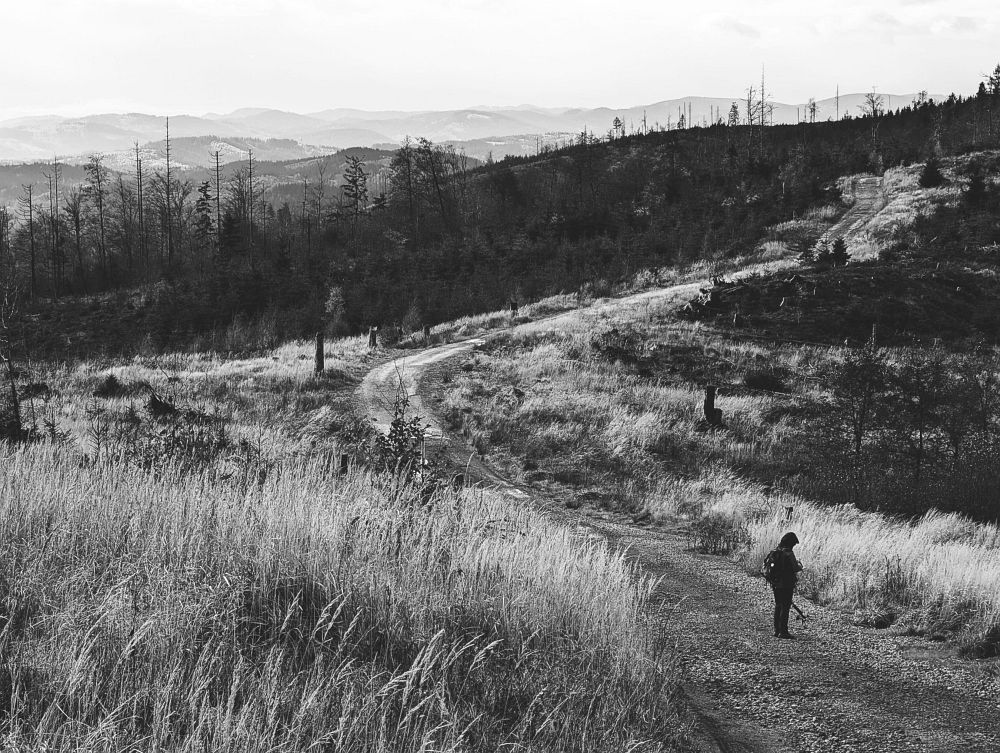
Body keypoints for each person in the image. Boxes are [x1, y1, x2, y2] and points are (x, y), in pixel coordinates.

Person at [771, 531, 804, 639]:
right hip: (787, 583)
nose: (794, 546)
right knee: (785, 607)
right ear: (791, 543)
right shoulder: (789, 553)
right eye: (794, 544)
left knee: (778, 605)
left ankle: (776, 630)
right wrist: (800, 565)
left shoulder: (776, 551)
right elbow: (795, 568)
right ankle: (784, 631)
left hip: (776, 583)